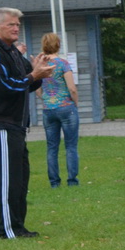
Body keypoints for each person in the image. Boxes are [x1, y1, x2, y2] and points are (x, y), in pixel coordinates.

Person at [0, 7, 54, 239]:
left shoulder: (11, 52)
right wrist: (33, 75)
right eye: (11, 24)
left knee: (20, 180)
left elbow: (26, 84)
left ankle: (18, 227)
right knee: (7, 180)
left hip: (17, 126)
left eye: (18, 25)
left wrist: (39, 73)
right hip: (1, 124)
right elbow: (7, 87)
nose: (16, 28)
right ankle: (7, 230)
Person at [35, 32, 81, 187]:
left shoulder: (41, 66)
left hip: (48, 110)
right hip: (66, 107)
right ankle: (72, 181)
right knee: (71, 146)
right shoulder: (63, 64)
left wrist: (47, 100)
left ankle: (54, 182)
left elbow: (38, 90)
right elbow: (72, 88)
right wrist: (76, 103)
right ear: (58, 45)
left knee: (52, 147)